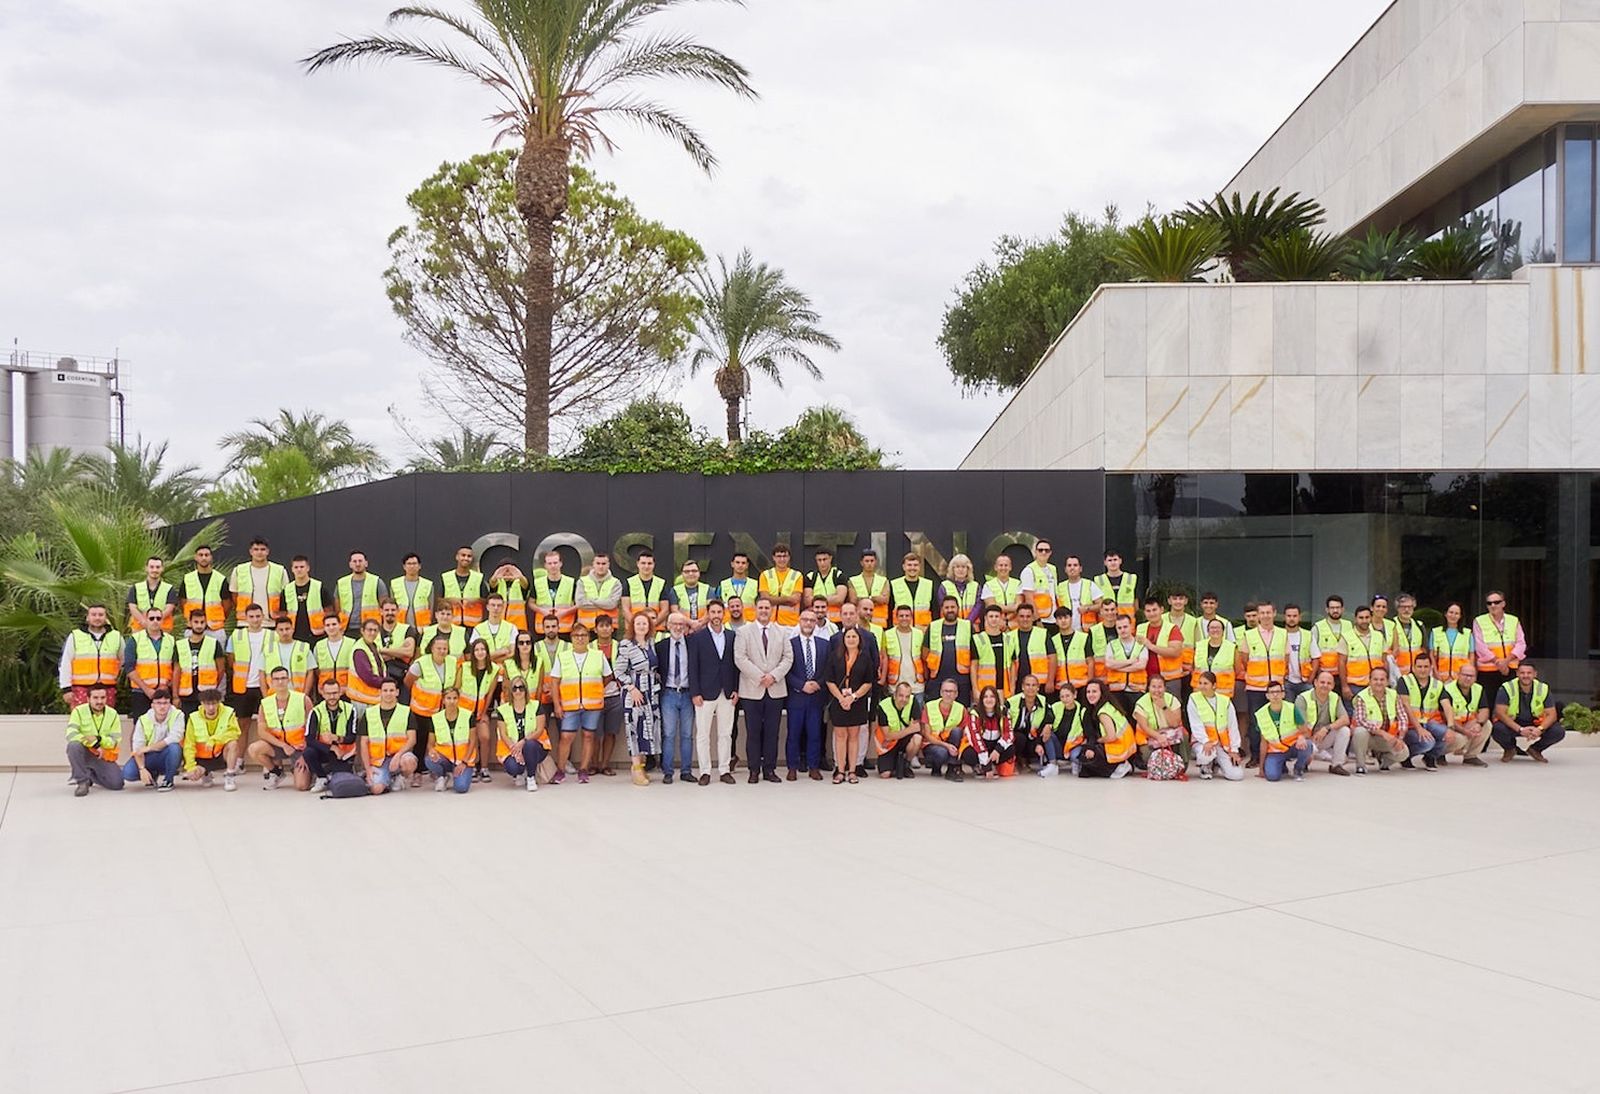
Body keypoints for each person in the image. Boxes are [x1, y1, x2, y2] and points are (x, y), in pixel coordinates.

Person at [734, 595, 792, 784]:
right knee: (753, 731)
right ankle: (753, 770)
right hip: (752, 689)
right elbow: (740, 658)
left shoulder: (782, 632)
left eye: (767, 608)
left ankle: (769, 769)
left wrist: (773, 676)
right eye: (761, 608)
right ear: (755, 609)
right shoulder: (744, 632)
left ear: (771, 610)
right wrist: (760, 677)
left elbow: (788, 658)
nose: (764, 611)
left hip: (775, 689)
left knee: (772, 732)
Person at [549, 622, 613, 785]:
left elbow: (607, 676)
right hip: (570, 705)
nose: (580, 639)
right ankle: (561, 770)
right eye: (576, 636)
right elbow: (555, 682)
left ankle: (583, 770)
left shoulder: (597, 655)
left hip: (592, 705)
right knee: (566, 737)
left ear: (588, 637)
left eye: (583, 635)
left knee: (588, 736)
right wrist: (557, 705)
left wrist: (597, 689)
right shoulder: (563, 657)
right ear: (571, 638)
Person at [686, 600, 740, 786]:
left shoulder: (733, 636)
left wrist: (736, 689)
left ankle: (724, 770)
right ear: (708, 614)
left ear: (723, 614)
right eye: (713, 612)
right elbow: (692, 667)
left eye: (719, 612)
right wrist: (695, 692)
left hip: (727, 692)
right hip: (704, 693)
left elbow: (736, 666)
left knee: (725, 734)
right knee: (703, 734)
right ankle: (705, 771)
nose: (716, 616)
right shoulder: (698, 638)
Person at [616, 610, 661, 786]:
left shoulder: (651, 643)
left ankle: (641, 766)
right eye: (638, 623)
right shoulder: (626, 645)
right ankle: (636, 769)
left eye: (645, 623)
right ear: (632, 626)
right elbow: (619, 671)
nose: (642, 626)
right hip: (634, 693)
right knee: (634, 729)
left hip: (650, 693)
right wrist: (631, 687)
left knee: (647, 729)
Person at [825, 625, 875, 784]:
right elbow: (830, 681)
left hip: (857, 702)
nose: (851, 640)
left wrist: (852, 697)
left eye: (854, 637)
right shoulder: (834, 656)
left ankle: (852, 771)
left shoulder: (865, 657)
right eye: (848, 637)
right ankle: (840, 770)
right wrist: (841, 698)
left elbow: (868, 682)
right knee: (840, 736)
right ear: (843, 639)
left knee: (854, 737)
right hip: (839, 701)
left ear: (859, 639)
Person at [249, 666, 312, 791]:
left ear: (289, 680)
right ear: (271, 682)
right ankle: (276, 772)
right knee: (254, 749)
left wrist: (307, 752)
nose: (280, 682)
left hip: (300, 747)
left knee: (302, 786)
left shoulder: (303, 699)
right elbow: (261, 731)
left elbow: (314, 727)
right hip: (279, 746)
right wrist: (283, 745)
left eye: (283, 678)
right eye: (276, 679)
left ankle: (304, 770)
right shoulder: (265, 703)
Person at [1492, 661, 1566, 763]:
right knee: (1497, 729)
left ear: (1535, 674)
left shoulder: (1543, 688)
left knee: (1558, 731)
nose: (1525, 676)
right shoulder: (1507, 687)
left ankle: (1535, 749)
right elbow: (1500, 713)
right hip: (1514, 722)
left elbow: (1552, 715)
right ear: (1517, 673)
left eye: (1529, 673)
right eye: (1522, 673)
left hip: (1536, 722)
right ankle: (1510, 749)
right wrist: (1520, 729)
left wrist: (1539, 729)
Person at [785, 609, 829, 779]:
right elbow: (786, 670)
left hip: (816, 696)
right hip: (796, 696)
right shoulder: (790, 643)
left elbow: (827, 669)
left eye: (812, 620)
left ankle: (813, 767)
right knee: (793, 734)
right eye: (805, 620)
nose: (809, 623)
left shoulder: (824, 644)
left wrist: (818, 683)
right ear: (799, 621)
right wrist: (801, 685)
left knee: (815, 734)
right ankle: (792, 767)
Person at [656, 612, 695, 785]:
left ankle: (686, 771)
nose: (678, 627)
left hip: (687, 694)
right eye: (675, 624)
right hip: (669, 694)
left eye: (682, 624)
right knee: (669, 734)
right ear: (668, 626)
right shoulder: (661, 646)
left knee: (687, 735)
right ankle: (668, 771)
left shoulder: (693, 645)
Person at [1240, 600, 1288, 743]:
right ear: (1258, 616)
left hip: (1276, 687)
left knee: (1277, 721)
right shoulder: (1249, 635)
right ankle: (1255, 755)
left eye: (1268, 612)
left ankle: (1275, 752)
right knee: (1256, 721)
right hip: (1255, 687)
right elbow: (1244, 659)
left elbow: (1286, 658)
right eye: (1262, 613)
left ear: (1274, 614)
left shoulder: (1283, 634)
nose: (1266, 616)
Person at [59, 603, 121, 711]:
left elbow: (123, 660)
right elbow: (65, 662)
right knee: (81, 722)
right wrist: (66, 688)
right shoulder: (75, 636)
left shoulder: (116, 636)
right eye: (94, 614)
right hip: (81, 688)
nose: (97, 618)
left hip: (107, 688)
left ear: (106, 618)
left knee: (106, 723)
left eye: (101, 615)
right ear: (88, 617)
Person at [65, 682, 123, 796]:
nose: (99, 701)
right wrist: (94, 744)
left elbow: (115, 741)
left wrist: (99, 739)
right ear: (88, 699)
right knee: (73, 745)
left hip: (102, 754)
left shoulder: (113, 714)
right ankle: (82, 782)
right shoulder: (78, 711)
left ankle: (90, 774)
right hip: (85, 752)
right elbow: (71, 734)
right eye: (95, 698)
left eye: (102, 697)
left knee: (117, 784)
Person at [362, 679, 417, 794]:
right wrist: (367, 770)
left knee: (409, 761)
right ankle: (388, 779)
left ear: (397, 692)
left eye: (391, 690)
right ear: (380, 692)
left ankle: (401, 777)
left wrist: (398, 755)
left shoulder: (406, 712)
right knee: (376, 790)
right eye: (385, 690)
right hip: (378, 761)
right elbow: (363, 743)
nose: (388, 693)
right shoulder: (369, 713)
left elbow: (412, 739)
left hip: (399, 756)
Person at [122, 688, 184, 791]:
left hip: (168, 755)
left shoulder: (178, 715)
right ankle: (152, 774)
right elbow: (137, 747)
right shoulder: (143, 719)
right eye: (158, 703)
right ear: (152, 705)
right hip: (149, 756)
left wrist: (149, 748)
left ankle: (168, 780)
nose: (162, 706)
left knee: (175, 747)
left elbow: (175, 737)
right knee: (128, 773)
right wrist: (142, 769)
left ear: (170, 704)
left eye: (165, 703)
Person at [1351, 666, 1409, 774]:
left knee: (1403, 752)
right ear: (1370, 681)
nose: (1379, 682)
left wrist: (1400, 738)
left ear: (1387, 681)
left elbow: (1402, 717)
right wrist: (1382, 733)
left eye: (1382, 679)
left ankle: (1384, 761)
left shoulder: (1394, 695)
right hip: (1368, 738)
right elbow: (1360, 721)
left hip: (1388, 738)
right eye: (1375, 679)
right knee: (1360, 731)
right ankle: (1361, 765)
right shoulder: (1361, 697)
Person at [181, 689, 242, 791]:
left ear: (219, 702)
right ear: (201, 704)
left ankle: (230, 776)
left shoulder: (228, 713)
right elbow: (189, 744)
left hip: (220, 755)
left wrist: (215, 739)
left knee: (233, 744)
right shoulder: (193, 717)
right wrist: (191, 767)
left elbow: (234, 732)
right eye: (207, 704)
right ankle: (205, 773)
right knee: (194, 775)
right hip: (202, 758)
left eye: (214, 703)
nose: (211, 707)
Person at [305, 676, 358, 791]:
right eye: (328, 693)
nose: (332, 696)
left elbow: (352, 737)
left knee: (341, 782)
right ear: (323, 694)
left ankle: (333, 773)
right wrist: (331, 747)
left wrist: (337, 738)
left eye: (335, 693)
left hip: (344, 753)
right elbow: (309, 740)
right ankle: (321, 777)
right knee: (308, 752)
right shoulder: (316, 711)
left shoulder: (350, 709)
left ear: (340, 693)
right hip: (324, 750)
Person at [1188, 671, 1243, 781]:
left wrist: (1234, 749)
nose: (1202, 686)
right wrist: (1205, 741)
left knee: (1237, 775)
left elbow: (1233, 726)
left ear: (1214, 685)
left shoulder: (1225, 701)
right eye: (1200, 683)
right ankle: (1206, 766)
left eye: (1205, 683)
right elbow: (1195, 723)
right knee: (1206, 755)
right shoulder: (1194, 699)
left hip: (1222, 745)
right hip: (1203, 743)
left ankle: (1217, 763)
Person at [589, 614, 626, 777]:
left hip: (615, 695)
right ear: (595, 629)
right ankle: (594, 764)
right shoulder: (589, 647)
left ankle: (605, 765)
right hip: (595, 695)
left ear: (612, 628)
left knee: (611, 732)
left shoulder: (621, 646)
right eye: (601, 626)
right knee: (595, 733)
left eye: (607, 625)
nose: (604, 629)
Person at [495, 678, 548, 792]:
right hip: (512, 748)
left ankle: (530, 777)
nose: (518, 691)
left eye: (521, 688)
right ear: (510, 691)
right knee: (512, 767)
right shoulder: (502, 710)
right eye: (515, 688)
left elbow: (539, 730)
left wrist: (523, 742)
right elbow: (503, 734)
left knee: (530, 745)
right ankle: (519, 773)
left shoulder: (536, 705)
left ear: (526, 690)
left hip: (534, 745)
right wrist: (515, 749)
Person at [1296, 669, 1352, 776]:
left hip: (1323, 736)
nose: (1325, 685)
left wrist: (1326, 728)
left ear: (1333, 686)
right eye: (1322, 682)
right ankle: (1304, 761)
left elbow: (1345, 719)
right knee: (1306, 757)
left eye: (1329, 683)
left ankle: (1336, 765)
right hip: (1305, 738)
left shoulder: (1335, 697)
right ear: (1315, 682)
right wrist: (1310, 743)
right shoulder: (1303, 698)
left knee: (1344, 730)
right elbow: (1300, 726)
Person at [457, 637, 498, 782]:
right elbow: (456, 689)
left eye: (483, 649)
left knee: (485, 737)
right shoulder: (465, 667)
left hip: (481, 711)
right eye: (477, 650)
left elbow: (490, 694)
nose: (480, 652)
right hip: (464, 712)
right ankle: (472, 765)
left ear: (487, 652)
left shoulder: (494, 670)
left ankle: (484, 768)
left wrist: (484, 713)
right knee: (469, 739)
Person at [1397, 652, 1447, 770]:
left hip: (1429, 723)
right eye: (1419, 667)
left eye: (1426, 667)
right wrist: (1419, 728)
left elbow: (1447, 705)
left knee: (1447, 734)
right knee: (1427, 743)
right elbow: (1406, 706)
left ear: (1431, 668)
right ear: (1413, 667)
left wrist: (1451, 727)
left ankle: (1430, 757)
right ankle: (1406, 757)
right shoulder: (1405, 681)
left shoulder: (1437, 684)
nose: (1423, 670)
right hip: (1410, 726)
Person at [1474, 591, 1526, 704]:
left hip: (1510, 668)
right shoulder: (1479, 621)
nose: (1493, 605)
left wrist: (1506, 661)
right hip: (1488, 670)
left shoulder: (1514, 620)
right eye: (1489, 603)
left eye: (1496, 602)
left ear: (1503, 604)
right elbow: (1479, 646)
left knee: (1511, 703)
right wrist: (1498, 662)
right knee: (1487, 704)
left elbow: (1521, 644)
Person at [1256, 680, 1312, 782]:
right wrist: (1261, 768)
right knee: (1272, 777)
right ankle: (1281, 766)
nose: (1275, 695)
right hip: (1276, 751)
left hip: (1293, 747)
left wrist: (1301, 737)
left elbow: (1306, 731)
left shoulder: (1292, 708)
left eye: (1278, 692)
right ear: (1267, 696)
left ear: (1283, 694)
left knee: (1308, 745)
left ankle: (1298, 769)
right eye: (1272, 692)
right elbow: (1263, 742)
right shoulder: (1261, 714)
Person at [174, 609, 226, 716]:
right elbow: (176, 672)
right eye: (196, 622)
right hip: (186, 695)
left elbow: (220, 669)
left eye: (202, 622)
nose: (199, 625)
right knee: (188, 727)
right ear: (190, 623)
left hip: (207, 694)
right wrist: (175, 696)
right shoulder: (180, 645)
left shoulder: (214, 644)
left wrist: (212, 684)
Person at [128, 607, 176, 723]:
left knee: (165, 727)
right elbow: (129, 668)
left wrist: (167, 685)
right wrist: (147, 689)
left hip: (164, 691)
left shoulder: (171, 640)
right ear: (146, 619)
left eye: (158, 618)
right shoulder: (135, 639)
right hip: (141, 691)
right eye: (152, 618)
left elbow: (176, 667)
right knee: (142, 728)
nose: (155, 621)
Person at [1078, 680, 1134, 779]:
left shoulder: (1103, 713)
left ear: (1101, 693)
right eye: (1088, 692)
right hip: (1125, 745)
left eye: (1094, 691)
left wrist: (1098, 741)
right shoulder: (1107, 706)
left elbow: (1111, 737)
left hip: (1119, 747)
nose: (1090, 695)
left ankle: (1120, 766)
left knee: (1087, 756)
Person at [226, 604, 270, 727]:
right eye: (251, 616)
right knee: (242, 725)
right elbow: (231, 659)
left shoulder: (273, 636)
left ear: (263, 617)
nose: (255, 619)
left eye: (258, 616)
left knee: (267, 723)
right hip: (243, 686)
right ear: (246, 618)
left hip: (265, 686)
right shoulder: (236, 636)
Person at [426, 686, 477, 793]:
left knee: (461, 788)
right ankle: (442, 776)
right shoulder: (435, 718)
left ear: (459, 699)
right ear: (443, 700)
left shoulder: (468, 716)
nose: (452, 701)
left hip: (464, 760)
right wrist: (431, 750)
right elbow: (430, 743)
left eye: (455, 698)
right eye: (448, 698)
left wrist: (464, 762)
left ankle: (461, 774)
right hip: (445, 758)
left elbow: (473, 741)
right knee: (429, 760)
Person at [1339, 604, 1390, 710]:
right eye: (1361, 618)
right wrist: (1344, 686)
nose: (1364, 620)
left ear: (1371, 618)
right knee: (1354, 718)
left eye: (1367, 617)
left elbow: (1384, 661)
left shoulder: (1379, 636)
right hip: (1354, 686)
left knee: (1375, 716)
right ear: (1355, 619)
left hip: (1376, 684)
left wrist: (1386, 681)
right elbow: (1341, 663)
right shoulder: (1346, 636)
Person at [1007, 674, 1060, 776]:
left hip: (1033, 735)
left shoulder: (1043, 701)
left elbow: (1051, 716)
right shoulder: (1012, 701)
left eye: (1033, 685)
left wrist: (1048, 725)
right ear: (1022, 687)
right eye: (1027, 685)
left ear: (1038, 688)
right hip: (1016, 736)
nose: (1030, 688)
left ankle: (1047, 763)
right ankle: (1018, 760)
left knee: (1046, 736)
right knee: (1020, 738)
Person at [1441, 663, 1493, 767]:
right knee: (1460, 739)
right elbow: (1445, 717)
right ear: (1458, 675)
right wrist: (1465, 732)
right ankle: (1438, 755)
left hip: (1467, 724)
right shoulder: (1447, 689)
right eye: (1465, 675)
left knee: (1487, 724)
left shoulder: (1478, 689)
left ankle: (1471, 756)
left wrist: (1479, 724)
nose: (1468, 678)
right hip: (1449, 726)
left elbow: (1484, 710)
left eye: (1471, 676)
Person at [926, 595, 973, 705]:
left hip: (962, 679)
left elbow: (975, 655)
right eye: (947, 608)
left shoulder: (967, 626)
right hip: (937, 678)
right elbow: (925, 651)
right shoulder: (933, 626)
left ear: (958, 608)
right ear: (942, 609)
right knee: (935, 711)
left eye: (953, 607)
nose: (950, 610)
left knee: (962, 711)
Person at [1138, 596, 1185, 704]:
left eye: (1154, 610)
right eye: (1148, 611)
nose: (1152, 613)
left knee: (1171, 708)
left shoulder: (1172, 628)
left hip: (1169, 679)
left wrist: (1151, 646)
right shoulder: (1140, 628)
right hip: (1146, 679)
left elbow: (1175, 652)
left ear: (1162, 610)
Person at [229, 537, 287, 625]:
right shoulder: (239, 570)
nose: (259, 552)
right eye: (256, 549)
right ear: (251, 552)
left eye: (262, 549)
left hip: (271, 622)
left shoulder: (280, 570)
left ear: (267, 551)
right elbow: (234, 595)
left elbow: (286, 595)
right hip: (245, 622)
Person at [1132, 671, 1185, 766]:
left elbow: (1175, 724)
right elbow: (1144, 727)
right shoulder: (1141, 703)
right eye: (1153, 687)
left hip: (1169, 734)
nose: (1157, 690)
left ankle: (1182, 764)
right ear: (1148, 688)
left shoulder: (1172, 699)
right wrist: (1158, 737)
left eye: (1160, 687)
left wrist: (1164, 707)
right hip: (1149, 736)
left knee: (1184, 736)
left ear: (1165, 688)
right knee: (1150, 759)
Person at [962, 684, 1013, 780]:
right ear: (981, 699)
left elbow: (1009, 733)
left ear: (997, 699)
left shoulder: (1004, 712)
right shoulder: (974, 713)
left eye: (992, 696)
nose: (989, 700)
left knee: (1011, 748)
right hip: (979, 745)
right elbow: (975, 738)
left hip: (995, 745)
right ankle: (980, 766)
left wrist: (998, 750)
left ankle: (994, 764)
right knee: (968, 754)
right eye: (985, 697)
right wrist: (986, 766)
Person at [874, 680, 924, 779]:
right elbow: (887, 735)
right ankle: (896, 764)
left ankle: (906, 764)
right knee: (885, 775)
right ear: (894, 695)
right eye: (901, 695)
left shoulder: (913, 702)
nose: (904, 699)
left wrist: (908, 731)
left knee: (917, 738)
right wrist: (909, 730)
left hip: (904, 740)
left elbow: (917, 728)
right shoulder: (883, 706)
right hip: (888, 744)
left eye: (907, 696)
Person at [181, 545, 232, 641]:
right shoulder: (187, 579)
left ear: (211, 557)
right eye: (200, 555)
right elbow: (183, 602)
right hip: (192, 628)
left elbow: (227, 604)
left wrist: (217, 618)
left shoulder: (220, 579)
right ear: (195, 557)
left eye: (206, 555)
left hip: (215, 629)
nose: (204, 558)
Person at [922, 678, 966, 781]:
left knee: (957, 731)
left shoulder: (961, 709)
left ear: (956, 694)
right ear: (941, 692)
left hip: (952, 745)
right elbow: (927, 735)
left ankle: (951, 769)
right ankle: (936, 767)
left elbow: (964, 732)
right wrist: (946, 746)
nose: (948, 694)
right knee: (941, 753)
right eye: (946, 691)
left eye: (952, 691)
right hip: (931, 745)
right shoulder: (929, 707)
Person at [1008, 602, 1054, 698]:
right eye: (1022, 616)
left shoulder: (1043, 634)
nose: (1025, 619)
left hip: (1040, 683)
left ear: (1033, 617)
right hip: (1017, 682)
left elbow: (1052, 658)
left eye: (1028, 616)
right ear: (1017, 617)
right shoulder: (1009, 636)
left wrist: (1050, 681)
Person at [1102, 614, 1147, 712]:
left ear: (1131, 626)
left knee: (1137, 719)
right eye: (1119, 628)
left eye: (1125, 627)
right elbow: (1109, 664)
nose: (1122, 630)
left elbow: (1141, 665)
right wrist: (1130, 662)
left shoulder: (1140, 644)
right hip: (1116, 689)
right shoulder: (1111, 645)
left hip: (1136, 689)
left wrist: (1117, 666)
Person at [1310, 595, 1352, 695]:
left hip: (1344, 675)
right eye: (1332, 608)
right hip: (1325, 675)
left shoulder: (1349, 625)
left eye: (1338, 608)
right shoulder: (1318, 627)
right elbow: (1311, 652)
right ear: (1327, 609)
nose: (1335, 610)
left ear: (1342, 609)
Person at [971, 604, 1014, 703]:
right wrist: (975, 689)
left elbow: (1012, 665)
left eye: (996, 616)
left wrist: (1012, 687)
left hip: (1004, 688)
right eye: (991, 616)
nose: (994, 619)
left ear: (1001, 618)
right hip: (985, 689)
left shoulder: (1008, 639)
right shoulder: (978, 639)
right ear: (985, 618)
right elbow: (974, 666)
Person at [346, 617, 388, 716]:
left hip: (371, 699)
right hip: (362, 700)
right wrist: (388, 683)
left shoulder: (373, 645)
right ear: (362, 631)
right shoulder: (359, 650)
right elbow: (368, 678)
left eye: (375, 630)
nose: (372, 633)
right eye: (369, 630)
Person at [882, 604, 927, 695]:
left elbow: (924, 658)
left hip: (917, 685)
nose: (904, 618)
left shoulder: (919, 634)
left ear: (911, 617)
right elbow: (884, 658)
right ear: (896, 617)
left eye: (907, 616)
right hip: (895, 686)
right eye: (901, 616)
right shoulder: (887, 634)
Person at [622, 548, 669, 635]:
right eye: (643, 563)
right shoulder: (629, 583)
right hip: (634, 630)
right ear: (637, 564)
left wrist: (651, 625)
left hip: (657, 630)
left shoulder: (661, 583)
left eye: (649, 563)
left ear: (654, 564)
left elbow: (665, 610)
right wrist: (638, 625)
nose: (646, 566)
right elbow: (625, 610)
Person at [264, 613, 313, 696]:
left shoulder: (303, 647)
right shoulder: (268, 649)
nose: (285, 632)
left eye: (287, 629)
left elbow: (310, 673)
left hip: (297, 693)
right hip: (274, 695)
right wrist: (265, 697)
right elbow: (262, 673)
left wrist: (305, 695)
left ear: (292, 629)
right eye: (281, 630)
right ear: (276, 631)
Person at [283, 555, 329, 644]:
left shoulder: (319, 587)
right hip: (294, 634)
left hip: (317, 634)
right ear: (292, 569)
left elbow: (329, 610)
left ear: (308, 568)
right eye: (296, 567)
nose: (299, 569)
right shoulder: (287, 589)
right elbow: (283, 613)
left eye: (302, 567)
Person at [336, 550, 386, 630]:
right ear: (350, 564)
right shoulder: (341, 583)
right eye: (354, 561)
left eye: (360, 561)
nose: (358, 564)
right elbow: (337, 608)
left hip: (370, 628)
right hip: (346, 628)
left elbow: (384, 606)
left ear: (366, 563)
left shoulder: (377, 582)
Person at [376, 598, 417, 694]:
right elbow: (371, 655)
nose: (390, 613)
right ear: (381, 611)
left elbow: (409, 652)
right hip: (380, 678)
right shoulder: (374, 631)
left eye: (393, 610)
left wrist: (381, 650)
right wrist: (398, 652)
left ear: (398, 611)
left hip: (401, 678)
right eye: (386, 610)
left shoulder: (408, 629)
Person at [758, 543, 804, 628]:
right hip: (769, 622)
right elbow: (765, 599)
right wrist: (787, 598)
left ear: (789, 557)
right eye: (779, 556)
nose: (782, 559)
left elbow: (795, 600)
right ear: (774, 558)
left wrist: (773, 598)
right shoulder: (765, 575)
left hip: (790, 623)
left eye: (785, 556)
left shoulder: (797, 575)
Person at [440, 545, 486, 628]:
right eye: (463, 555)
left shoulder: (478, 578)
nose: (466, 558)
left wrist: (476, 600)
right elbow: (438, 599)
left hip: (473, 625)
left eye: (469, 556)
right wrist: (449, 600)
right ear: (457, 557)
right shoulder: (446, 577)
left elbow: (486, 600)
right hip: (451, 623)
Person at [127, 555, 175, 634]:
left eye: (158, 567)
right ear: (146, 568)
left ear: (162, 568)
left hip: (162, 629)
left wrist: (154, 621)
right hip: (140, 628)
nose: (155, 570)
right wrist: (144, 621)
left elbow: (169, 608)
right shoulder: (135, 588)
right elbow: (132, 608)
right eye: (152, 567)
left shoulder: (169, 588)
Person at [311, 613, 351, 700]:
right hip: (325, 692)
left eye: (334, 624)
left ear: (340, 625)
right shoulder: (319, 645)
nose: (331, 627)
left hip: (346, 690)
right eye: (328, 625)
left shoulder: (351, 643)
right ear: (324, 628)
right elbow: (316, 670)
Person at [1431, 602, 1473, 682]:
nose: (1453, 616)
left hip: (1461, 677)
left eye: (1456, 613)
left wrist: (1469, 675)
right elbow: (1432, 655)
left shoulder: (1467, 633)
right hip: (1441, 677)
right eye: (1451, 612)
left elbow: (1471, 656)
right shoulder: (1435, 632)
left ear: (1460, 616)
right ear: (1445, 614)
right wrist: (1436, 673)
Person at [1092, 549, 1138, 622]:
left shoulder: (1131, 578)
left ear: (1120, 561)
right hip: (1106, 621)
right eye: (1110, 560)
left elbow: (1136, 600)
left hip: (1126, 622)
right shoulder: (1098, 580)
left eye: (1115, 560)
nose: (1113, 563)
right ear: (1105, 562)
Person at [392, 552, 435, 629]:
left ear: (419, 566)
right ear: (404, 566)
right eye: (409, 564)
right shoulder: (395, 584)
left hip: (422, 628)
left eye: (414, 563)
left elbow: (431, 608)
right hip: (400, 627)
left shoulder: (428, 584)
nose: (412, 566)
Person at [1019, 539, 1058, 625]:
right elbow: (1029, 598)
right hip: (1040, 619)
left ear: (1050, 553)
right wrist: (1037, 620)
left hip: (1054, 618)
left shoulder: (1053, 569)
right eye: (1040, 550)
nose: (1043, 552)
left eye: (1046, 550)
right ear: (1035, 552)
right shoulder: (1029, 570)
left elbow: (1054, 593)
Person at [1052, 684, 1088, 776]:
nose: (1065, 699)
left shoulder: (1082, 711)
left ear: (1075, 695)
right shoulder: (1055, 707)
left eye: (1067, 696)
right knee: (1048, 735)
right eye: (1062, 697)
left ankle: (1075, 762)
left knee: (1075, 756)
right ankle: (1051, 764)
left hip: (1074, 744)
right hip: (1059, 744)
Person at [848, 549, 889, 628]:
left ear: (875, 562)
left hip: (879, 622)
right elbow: (853, 600)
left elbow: (885, 600)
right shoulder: (853, 580)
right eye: (867, 561)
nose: (869, 564)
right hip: (860, 622)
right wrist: (875, 598)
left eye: (872, 561)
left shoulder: (883, 580)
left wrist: (863, 599)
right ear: (861, 563)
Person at [1057, 555, 1098, 634]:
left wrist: (1087, 608)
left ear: (1080, 568)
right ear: (1065, 569)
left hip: (1086, 631)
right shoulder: (1060, 587)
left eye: (1075, 565)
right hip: (1066, 631)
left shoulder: (1089, 584)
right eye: (1069, 565)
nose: (1072, 568)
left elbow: (1100, 605)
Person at [980, 553, 1022, 629]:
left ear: (1010, 567)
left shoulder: (1018, 583)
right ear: (995, 567)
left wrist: (1007, 618)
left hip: (1014, 624)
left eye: (1006, 565)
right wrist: (1012, 608)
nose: (1003, 568)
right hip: (995, 625)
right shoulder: (988, 585)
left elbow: (1019, 605)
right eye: (1000, 565)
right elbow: (992, 606)